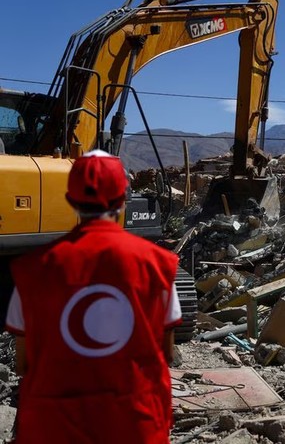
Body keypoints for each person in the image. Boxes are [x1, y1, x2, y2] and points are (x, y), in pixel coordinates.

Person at [5, 150, 182, 444]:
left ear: (71, 201)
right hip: (133, 424)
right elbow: (164, 352)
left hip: (53, 427)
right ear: (124, 200)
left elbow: (23, 363)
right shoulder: (158, 265)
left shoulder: (31, 270)